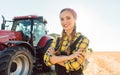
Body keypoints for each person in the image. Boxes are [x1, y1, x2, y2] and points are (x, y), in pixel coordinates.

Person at [44, 8, 89, 75]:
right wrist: (69, 57)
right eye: (62, 19)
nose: (64, 22)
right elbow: (46, 59)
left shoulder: (83, 39)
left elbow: (75, 65)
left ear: (75, 19)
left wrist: (54, 59)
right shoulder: (56, 40)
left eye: (68, 18)